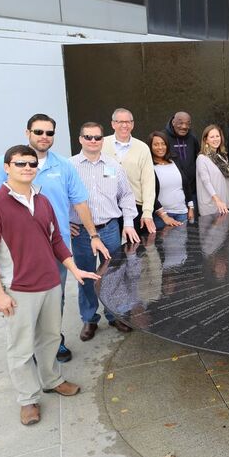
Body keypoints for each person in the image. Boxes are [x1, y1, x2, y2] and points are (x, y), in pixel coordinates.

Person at [0, 145, 101, 425]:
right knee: (20, 348)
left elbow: (56, 240)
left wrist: (74, 268)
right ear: (6, 167)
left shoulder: (42, 201)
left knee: (51, 337)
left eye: (32, 163)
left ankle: (52, 380)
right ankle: (27, 399)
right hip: (18, 289)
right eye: (20, 163)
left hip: (50, 283)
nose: (28, 168)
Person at [0, 113, 108, 363]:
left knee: (55, 300)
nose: (44, 137)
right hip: (17, 252)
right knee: (21, 304)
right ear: (27, 132)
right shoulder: (5, 162)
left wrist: (92, 233)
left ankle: (54, 343)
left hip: (55, 249)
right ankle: (26, 349)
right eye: (38, 132)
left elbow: (80, 201)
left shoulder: (63, 166)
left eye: (49, 133)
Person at [70, 122, 140, 341]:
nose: (93, 141)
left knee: (114, 274)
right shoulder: (69, 166)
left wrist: (128, 222)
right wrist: (64, 222)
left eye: (97, 138)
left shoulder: (113, 166)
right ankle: (90, 319)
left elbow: (126, 195)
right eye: (88, 137)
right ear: (80, 139)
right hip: (80, 233)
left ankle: (115, 314)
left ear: (103, 140)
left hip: (109, 228)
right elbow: (57, 198)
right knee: (86, 275)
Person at [103, 108, 157, 234]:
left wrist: (147, 212)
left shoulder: (142, 148)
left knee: (136, 249)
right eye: (120, 121)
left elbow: (148, 182)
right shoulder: (101, 144)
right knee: (112, 250)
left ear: (132, 124)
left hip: (135, 207)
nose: (124, 125)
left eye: (128, 122)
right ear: (113, 124)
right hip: (108, 207)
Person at [149, 131, 194, 228]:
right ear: (150, 147)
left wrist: (191, 207)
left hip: (182, 213)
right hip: (161, 217)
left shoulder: (175, 160)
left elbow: (186, 184)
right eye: (156, 145)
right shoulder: (149, 166)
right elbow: (149, 193)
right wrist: (164, 216)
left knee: (181, 243)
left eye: (163, 144)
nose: (160, 147)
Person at [163, 111, 199, 212]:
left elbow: (198, 157)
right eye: (180, 123)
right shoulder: (163, 138)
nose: (184, 126)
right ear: (173, 122)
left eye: (187, 123)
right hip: (172, 194)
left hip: (192, 192)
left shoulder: (192, 138)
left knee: (193, 224)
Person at [196, 125, 229, 215]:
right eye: (212, 137)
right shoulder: (202, 158)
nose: (216, 139)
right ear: (206, 140)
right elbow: (206, 182)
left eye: (217, 136)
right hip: (212, 206)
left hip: (226, 203)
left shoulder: (222, 157)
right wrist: (217, 200)